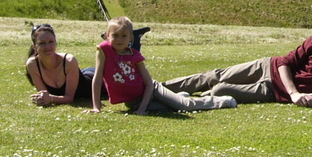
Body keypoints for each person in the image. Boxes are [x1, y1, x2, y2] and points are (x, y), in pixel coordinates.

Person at [163, 14, 312, 108]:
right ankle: (158, 90)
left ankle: (175, 100)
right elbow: (285, 62)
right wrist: (294, 93)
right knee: (214, 76)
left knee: (219, 90)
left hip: (273, 92)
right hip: (268, 67)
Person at [89, 16, 237, 114]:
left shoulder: (135, 56)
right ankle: (178, 97)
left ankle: (222, 101)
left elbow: (148, 83)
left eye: (124, 36)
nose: (119, 39)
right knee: (171, 108)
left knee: (185, 106)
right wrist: (96, 107)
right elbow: (97, 78)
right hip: (132, 102)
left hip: (152, 90)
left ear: (130, 38)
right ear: (107, 35)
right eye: (115, 35)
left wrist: (142, 109)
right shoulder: (103, 50)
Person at [25, 23, 93, 106]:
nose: (48, 46)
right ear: (34, 46)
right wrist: (43, 99)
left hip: (97, 80)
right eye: (42, 43)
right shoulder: (32, 64)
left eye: (51, 42)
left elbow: (69, 98)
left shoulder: (69, 61)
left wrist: (51, 99)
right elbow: (44, 95)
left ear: (55, 42)